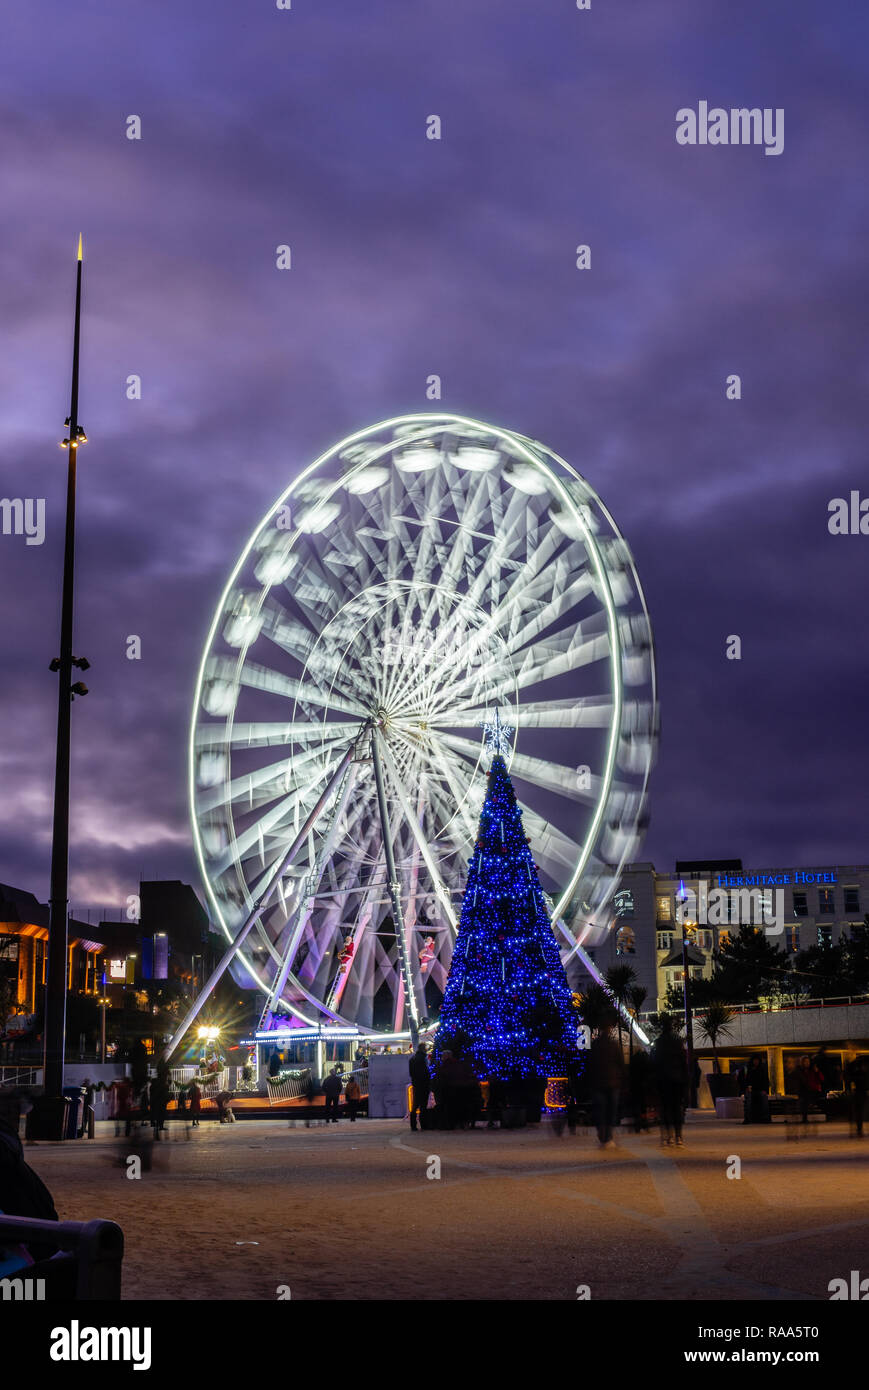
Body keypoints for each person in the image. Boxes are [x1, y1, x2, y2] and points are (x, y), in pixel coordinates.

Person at [588, 1016, 624, 1148]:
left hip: (598, 1083)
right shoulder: (614, 1045)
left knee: (601, 1110)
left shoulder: (595, 1046)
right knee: (611, 1110)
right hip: (612, 1083)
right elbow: (621, 1064)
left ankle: (602, 1134)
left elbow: (590, 1065)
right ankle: (608, 1136)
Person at [652, 1015, 688, 1146]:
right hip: (677, 1079)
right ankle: (679, 1136)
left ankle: (668, 1135)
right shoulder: (678, 1041)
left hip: (663, 1080)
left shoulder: (659, 1042)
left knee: (665, 1108)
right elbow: (683, 1061)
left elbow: (655, 1062)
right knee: (677, 1108)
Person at [408, 1044, 431, 1131]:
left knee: (415, 1105)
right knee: (423, 1106)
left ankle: (413, 1125)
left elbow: (411, 1073)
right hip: (423, 1084)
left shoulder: (412, 1059)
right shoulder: (423, 1059)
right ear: (423, 1049)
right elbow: (425, 1072)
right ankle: (424, 1125)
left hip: (416, 1083)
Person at [795, 1054, 823, 1125]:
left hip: (812, 1090)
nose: (807, 1063)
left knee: (806, 1100)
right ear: (802, 1062)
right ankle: (804, 1118)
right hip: (803, 1090)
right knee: (803, 1101)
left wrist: (817, 1071)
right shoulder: (799, 1070)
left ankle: (810, 1107)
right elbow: (800, 1081)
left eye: (808, 1061)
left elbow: (821, 1079)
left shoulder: (812, 1070)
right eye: (805, 1061)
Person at [744, 1055, 770, 1124]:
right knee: (748, 1101)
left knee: (763, 1099)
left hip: (760, 1089)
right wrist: (747, 1087)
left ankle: (765, 1118)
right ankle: (748, 1118)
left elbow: (765, 1080)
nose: (756, 1062)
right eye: (754, 1060)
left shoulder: (762, 1069)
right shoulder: (749, 1069)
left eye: (757, 1060)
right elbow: (746, 1080)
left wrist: (765, 1090)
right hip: (752, 1089)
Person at [845, 1055, 867, 1137]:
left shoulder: (853, 1067)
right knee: (858, 1111)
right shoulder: (858, 1068)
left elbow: (848, 1079)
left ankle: (858, 1128)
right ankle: (858, 1129)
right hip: (859, 1092)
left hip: (858, 1092)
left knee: (856, 1111)